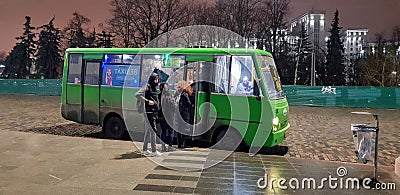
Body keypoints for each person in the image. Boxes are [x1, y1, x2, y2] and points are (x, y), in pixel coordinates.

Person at [135, 72, 162, 157]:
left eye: (157, 79)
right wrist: (147, 101)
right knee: (153, 130)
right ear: (151, 79)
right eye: (155, 79)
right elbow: (137, 94)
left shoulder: (154, 88)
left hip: (153, 112)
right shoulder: (147, 87)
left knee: (148, 131)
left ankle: (145, 149)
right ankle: (154, 151)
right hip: (149, 112)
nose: (157, 81)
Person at [175, 81, 194, 148]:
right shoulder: (185, 95)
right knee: (183, 129)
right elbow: (189, 104)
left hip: (178, 113)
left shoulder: (178, 93)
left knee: (179, 129)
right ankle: (182, 144)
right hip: (184, 114)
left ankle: (179, 143)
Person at [158, 83, 175, 152]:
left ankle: (163, 146)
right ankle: (170, 146)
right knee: (171, 131)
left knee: (163, 131)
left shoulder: (158, 96)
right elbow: (174, 106)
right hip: (170, 117)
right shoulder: (170, 96)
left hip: (161, 117)